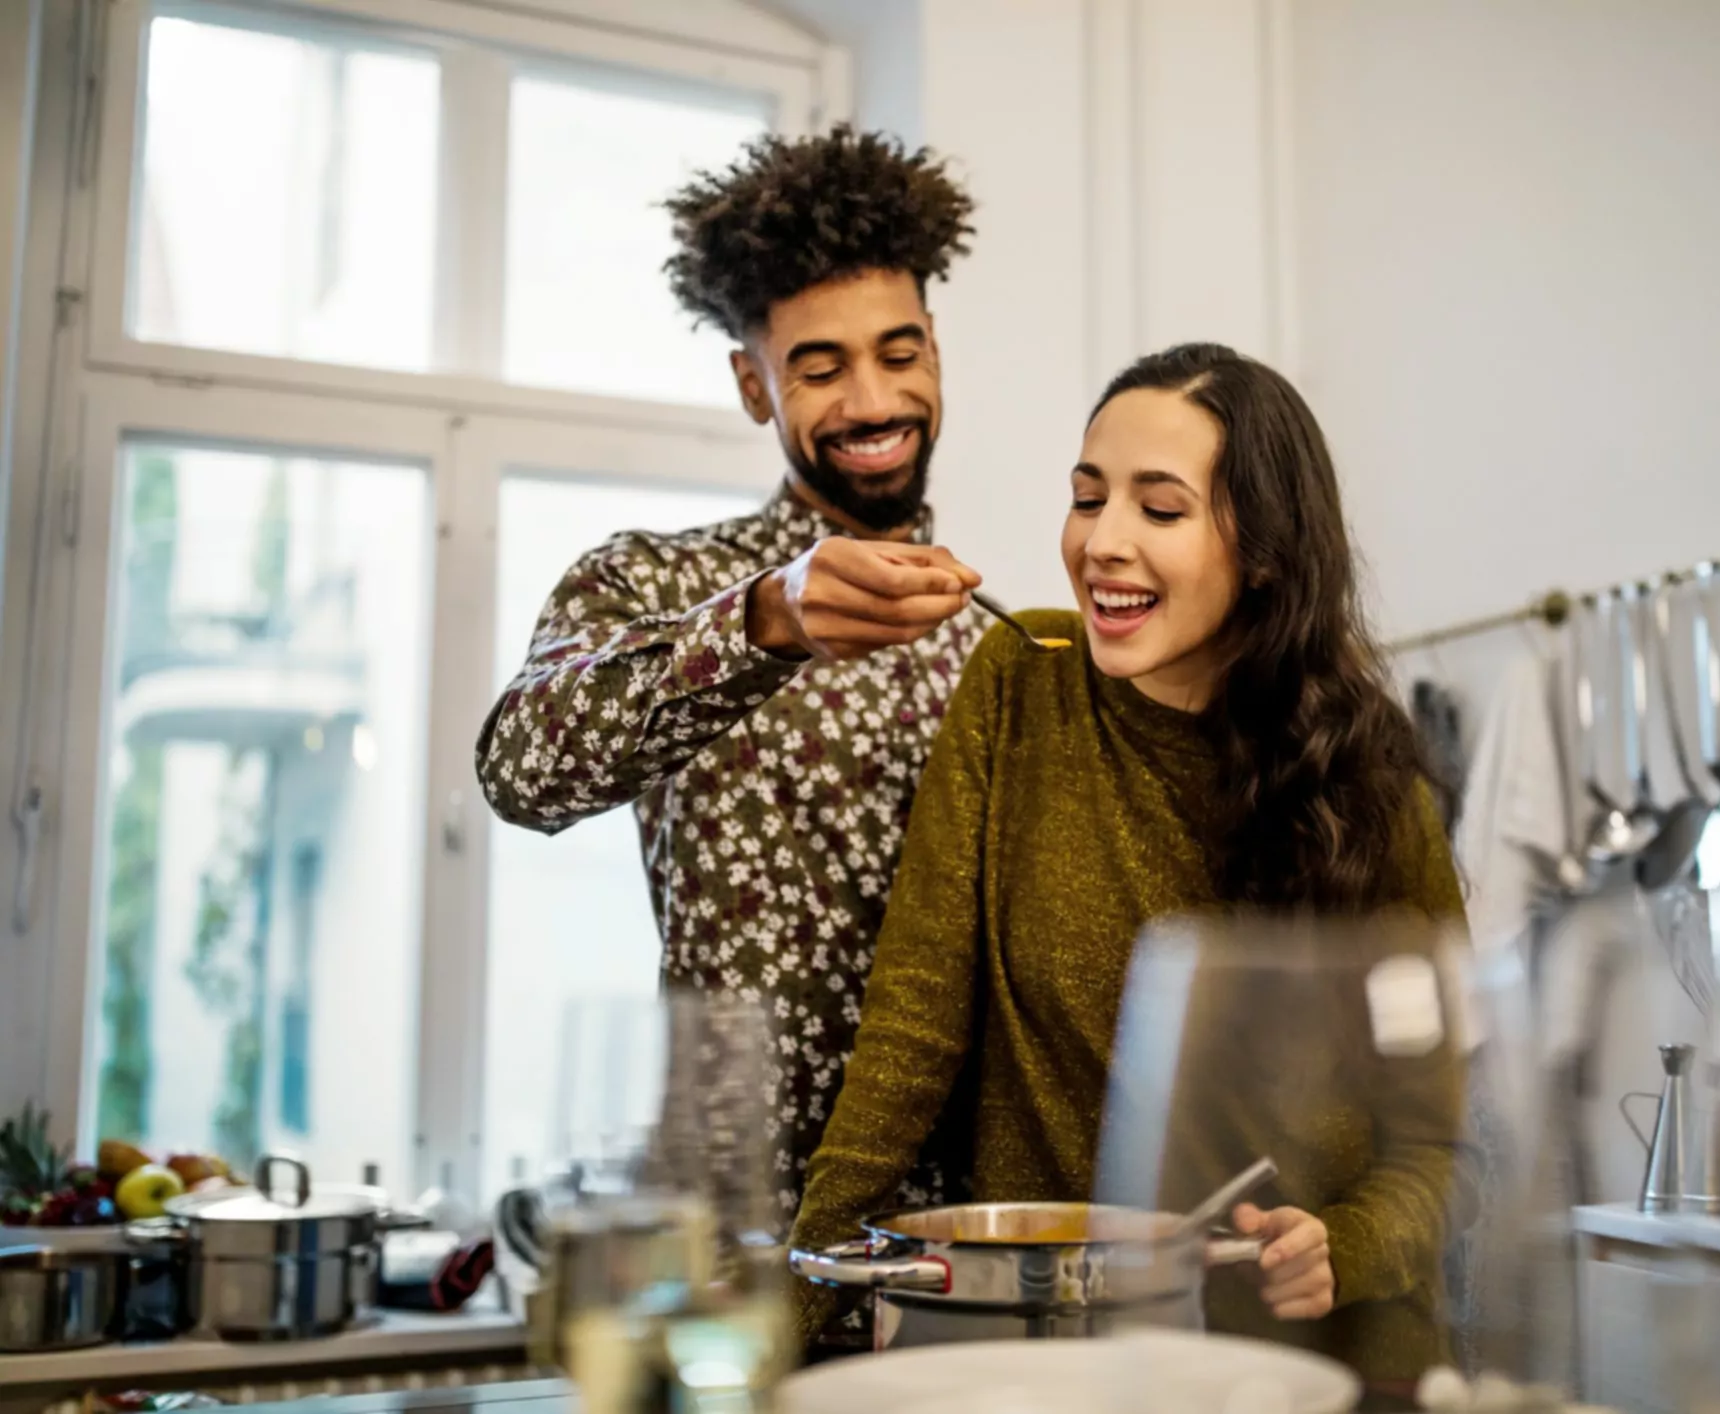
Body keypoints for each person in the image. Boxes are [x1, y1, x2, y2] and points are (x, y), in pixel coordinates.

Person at [788, 343, 1470, 1383]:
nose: (1102, 543)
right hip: (1073, 1370)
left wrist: (1349, 1243)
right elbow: (909, 1030)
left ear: (1270, 551)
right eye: (1086, 497)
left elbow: (1443, 1144)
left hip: (1321, 1374)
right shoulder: (1021, 679)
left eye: (1159, 509)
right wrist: (789, 1317)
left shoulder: (1370, 780)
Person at [474, 127, 992, 1319]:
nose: (872, 400)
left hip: (958, 1262)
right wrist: (765, 620)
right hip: (732, 1261)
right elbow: (521, 770)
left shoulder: (996, 645)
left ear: (935, 358)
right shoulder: (652, 589)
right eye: (819, 367)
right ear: (755, 383)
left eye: (897, 354)